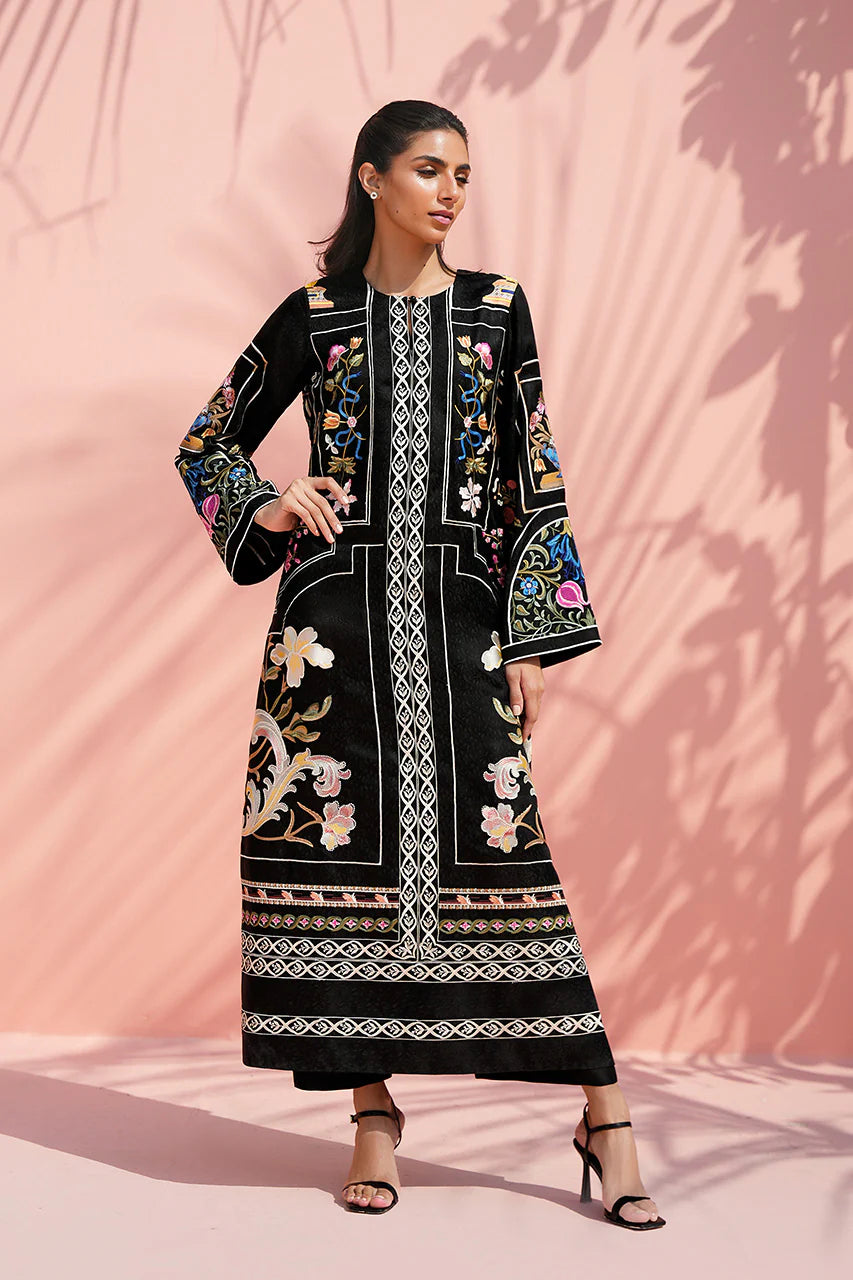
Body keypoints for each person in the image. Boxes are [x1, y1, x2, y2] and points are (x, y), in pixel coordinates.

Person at [174, 99, 665, 1230]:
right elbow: (207, 441)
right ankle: (373, 1115)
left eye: (463, 175)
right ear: (371, 179)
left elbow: (531, 472)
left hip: (460, 615)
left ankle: (604, 1116)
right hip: (328, 624)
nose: (450, 192)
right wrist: (269, 501)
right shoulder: (316, 314)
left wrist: (531, 632)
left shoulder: (496, 310)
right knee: (338, 855)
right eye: (428, 170)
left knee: (509, 859)